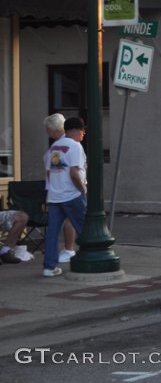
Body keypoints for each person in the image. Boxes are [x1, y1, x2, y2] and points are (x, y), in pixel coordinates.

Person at [42, 115, 88, 277]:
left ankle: (49, 266)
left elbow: (52, 171)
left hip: (55, 196)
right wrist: (82, 190)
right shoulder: (75, 146)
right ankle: (88, 259)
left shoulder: (55, 147)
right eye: (83, 131)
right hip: (71, 194)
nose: (83, 134)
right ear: (76, 130)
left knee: (52, 232)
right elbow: (74, 173)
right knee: (85, 229)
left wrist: (52, 190)